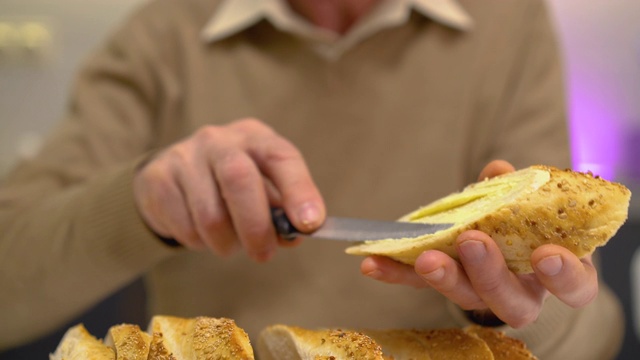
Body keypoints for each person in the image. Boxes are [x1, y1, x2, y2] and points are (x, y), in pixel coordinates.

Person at [0, 0, 624, 358]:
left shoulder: (507, 27)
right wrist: (140, 206)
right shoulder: (165, 33)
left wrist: (515, 312)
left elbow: (594, 335)